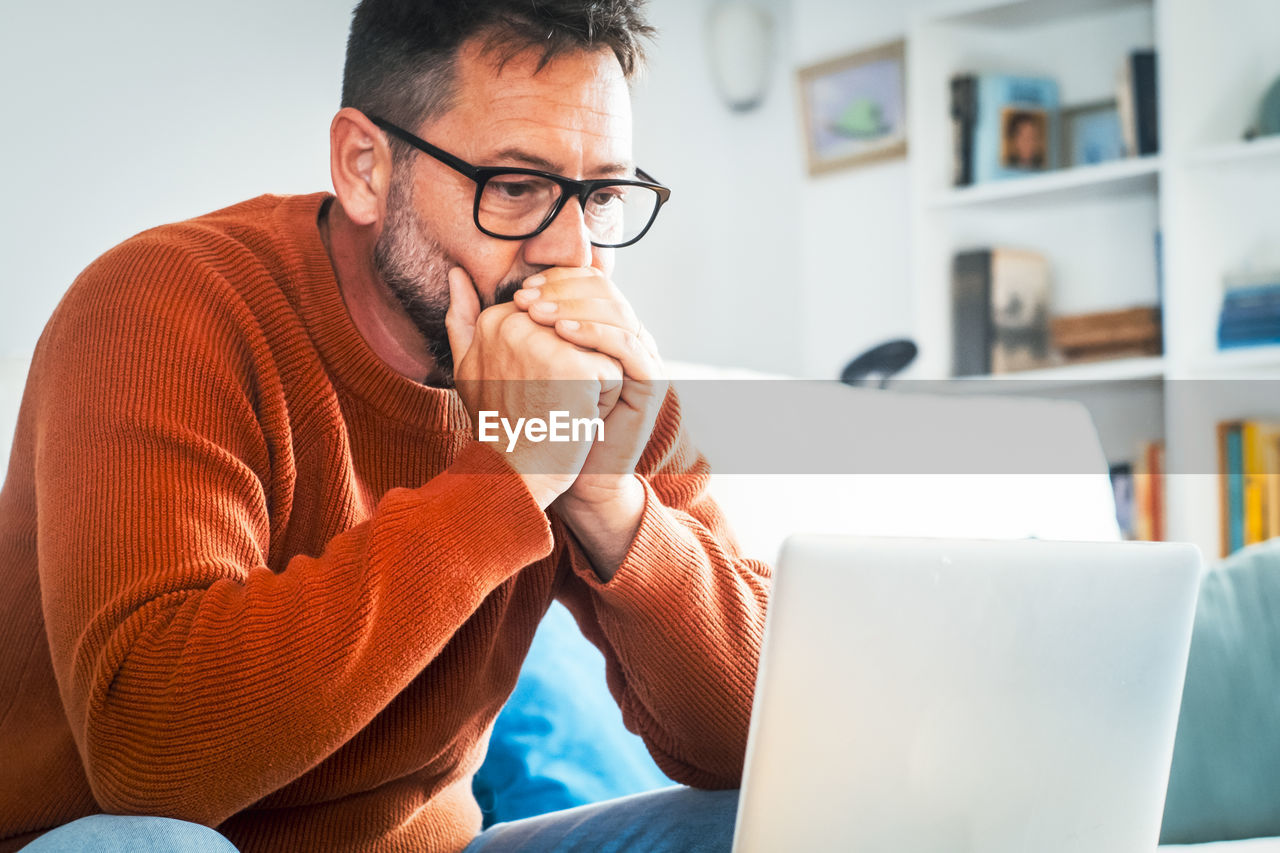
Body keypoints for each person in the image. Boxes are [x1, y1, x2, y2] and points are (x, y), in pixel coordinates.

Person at [0, 1, 771, 850]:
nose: (571, 255)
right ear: (364, 165)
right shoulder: (162, 307)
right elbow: (149, 760)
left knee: (763, 821)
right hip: (137, 836)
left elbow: (757, 738)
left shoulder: (588, 366)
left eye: (602, 197)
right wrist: (509, 478)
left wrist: (603, 494)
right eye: (515, 187)